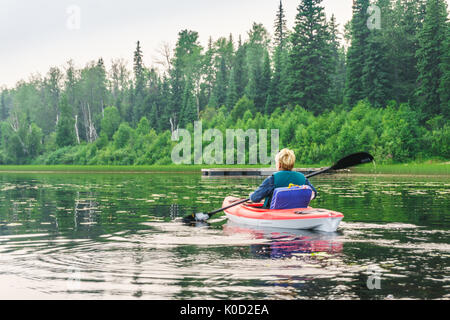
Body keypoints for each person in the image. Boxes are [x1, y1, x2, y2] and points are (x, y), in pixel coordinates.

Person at [249, 149, 317, 208]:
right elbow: (314, 194)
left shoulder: (272, 179)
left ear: (279, 165)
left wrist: (251, 195)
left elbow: (255, 198)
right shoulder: (302, 178)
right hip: (296, 211)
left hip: (274, 214)